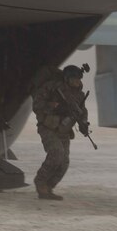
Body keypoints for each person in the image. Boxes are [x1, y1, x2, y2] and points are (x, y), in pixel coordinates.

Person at [30, 64, 89, 200]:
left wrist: (84, 124)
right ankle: (40, 182)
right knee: (56, 153)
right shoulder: (52, 88)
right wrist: (54, 107)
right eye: (74, 79)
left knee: (64, 163)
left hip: (64, 130)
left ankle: (48, 188)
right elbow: (37, 105)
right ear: (67, 78)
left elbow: (82, 112)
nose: (77, 82)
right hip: (48, 127)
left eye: (79, 79)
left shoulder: (79, 95)